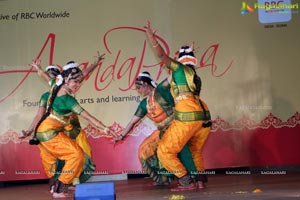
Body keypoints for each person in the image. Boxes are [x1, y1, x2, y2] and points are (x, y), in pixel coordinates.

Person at [144, 21, 212, 191]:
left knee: (164, 151)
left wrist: (152, 39)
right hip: (203, 116)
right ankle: (200, 181)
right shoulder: (195, 76)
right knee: (194, 149)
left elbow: (162, 57)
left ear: (180, 60)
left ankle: (185, 181)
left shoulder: (179, 69)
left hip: (187, 114)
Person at [31, 64, 113, 198]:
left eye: (80, 82)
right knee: (76, 155)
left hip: (48, 132)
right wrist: (104, 127)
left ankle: (58, 187)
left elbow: (46, 77)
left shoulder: (55, 85)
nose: (78, 85)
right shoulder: (68, 100)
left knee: (71, 157)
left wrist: (38, 69)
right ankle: (58, 189)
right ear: (66, 80)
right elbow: (87, 117)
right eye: (75, 81)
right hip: (48, 133)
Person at [114, 71, 199, 186]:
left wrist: (183, 60)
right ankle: (165, 179)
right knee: (145, 150)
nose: (138, 91)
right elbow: (132, 122)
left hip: (177, 127)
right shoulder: (145, 104)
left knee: (180, 152)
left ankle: (191, 180)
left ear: (145, 84)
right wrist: (121, 136)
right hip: (163, 131)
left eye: (139, 87)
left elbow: (172, 76)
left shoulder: (160, 91)